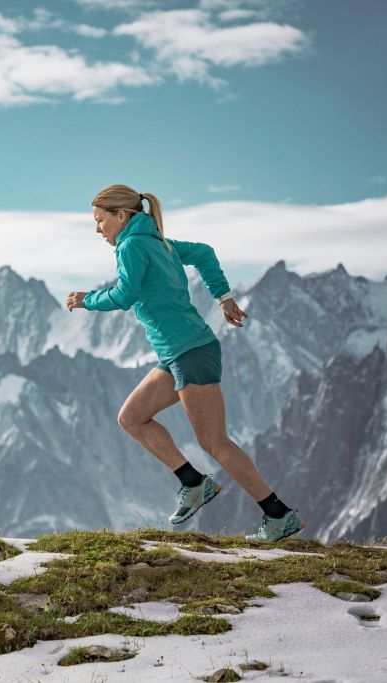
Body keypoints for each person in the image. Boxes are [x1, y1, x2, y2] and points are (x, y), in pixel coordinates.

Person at [65, 183, 305, 543]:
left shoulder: (132, 245)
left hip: (190, 352)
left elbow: (125, 295)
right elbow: (204, 253)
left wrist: (87, 299)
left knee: (214, 442)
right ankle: (193, 484)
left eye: (100, 220)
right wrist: (223, 297)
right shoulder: (158, 241)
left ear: (121, 215)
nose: (98, 229)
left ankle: (278, 516)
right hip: (179, 352)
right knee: (131, 418)